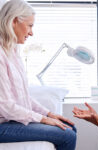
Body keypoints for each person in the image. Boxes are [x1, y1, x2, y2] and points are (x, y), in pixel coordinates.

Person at [0, 0, 76, 150]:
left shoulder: (13, 51)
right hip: (2, 125)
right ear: (14, 21)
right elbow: (5, 106)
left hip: (10, 121)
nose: (31, 32)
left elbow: (23, 97)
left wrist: (49, 114)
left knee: (69, 127)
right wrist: (42, 119)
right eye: (29, 26)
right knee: (67, 135)